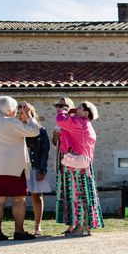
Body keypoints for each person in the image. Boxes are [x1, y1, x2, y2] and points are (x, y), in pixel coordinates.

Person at [0, 95, 41, 241]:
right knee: (19, 200)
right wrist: (29, 116)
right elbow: (35, 131)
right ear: (11, 109)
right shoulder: (12, 123)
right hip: (15, 169)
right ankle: (19, 231)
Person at [55, 101, 104, 237]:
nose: (76, 108)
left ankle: (80, 226)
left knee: (77, 195)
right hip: (84, 165)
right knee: (86, 194)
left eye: (80, 107)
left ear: (86, 112)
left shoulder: (79, 122)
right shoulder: (87, 124)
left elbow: (61, 120)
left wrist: (63, 111)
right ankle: (87, 226)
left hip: (75, 167)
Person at [18, 102, 51, 235]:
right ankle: (19, 227)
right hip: (19, 167)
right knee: (19, 198)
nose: (21, 115)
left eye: (23, 112)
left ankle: (37, 226)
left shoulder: (40, 130)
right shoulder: (15, 128)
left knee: (37, 196)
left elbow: (45, 150)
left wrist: (42, 169)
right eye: (19, 112)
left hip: (35, 166)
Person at [52, 96, 76, 235]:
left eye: (63, 105)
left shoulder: (73, 121)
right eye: (58, 105)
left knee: (73, 193)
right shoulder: (57, 124)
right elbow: (55, 143)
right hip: (62, 162)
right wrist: (55, 137)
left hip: (72, 162)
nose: (59, 108)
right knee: (65, 194)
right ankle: (69, 223)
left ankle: (75, 223)